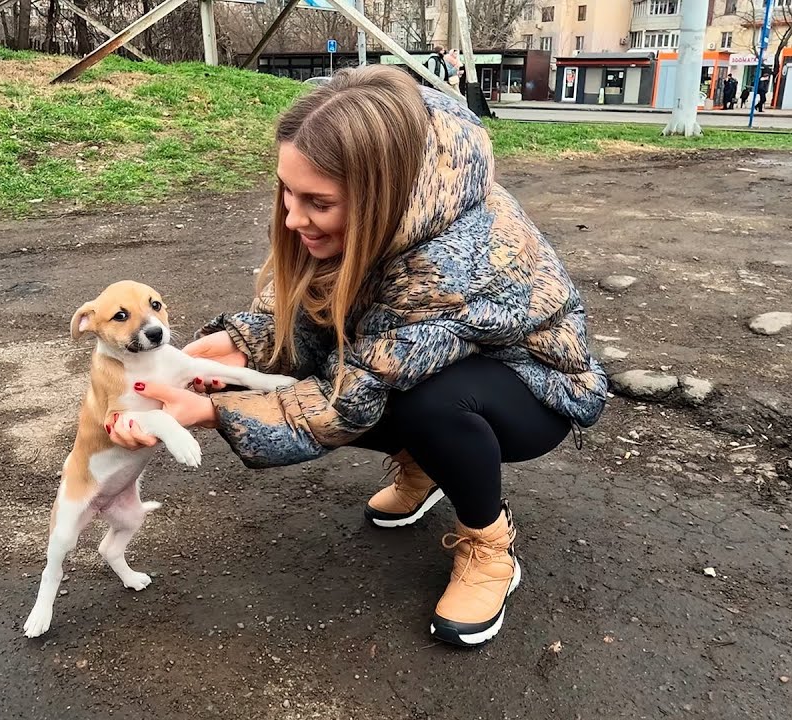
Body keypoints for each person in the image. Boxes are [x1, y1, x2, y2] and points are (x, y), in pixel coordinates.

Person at [108, 66, 607, 648]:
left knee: (428, 403)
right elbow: (308, 312)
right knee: (314, 372)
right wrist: (245, 344)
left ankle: (488, 544)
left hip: (534, 388)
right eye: (286, 191)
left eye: (318, 203)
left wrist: (216, 412)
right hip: (412, 355)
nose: (292, 218)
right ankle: (427, 465)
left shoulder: (450, 261)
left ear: (378, 197)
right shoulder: (369, 206)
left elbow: (349, 396)